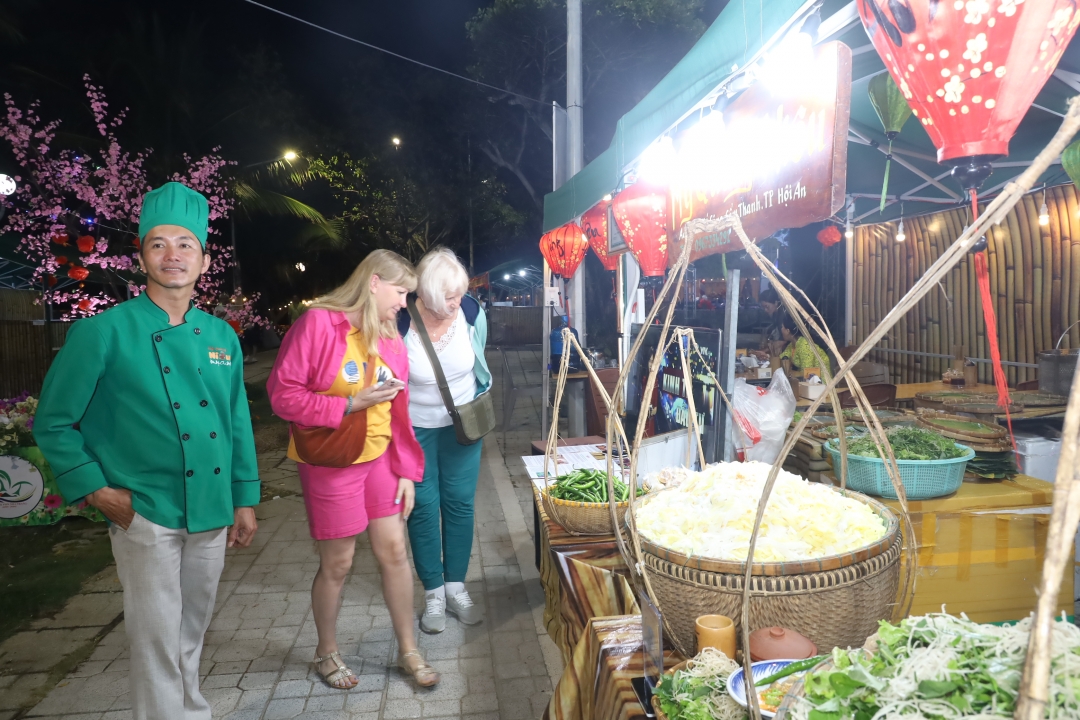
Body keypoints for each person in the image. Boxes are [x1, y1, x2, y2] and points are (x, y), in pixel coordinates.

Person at [34, 182, 260, 720]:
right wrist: (97, 491)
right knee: (156, 639)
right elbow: (54, 421)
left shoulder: (221, 336)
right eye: (158, 244)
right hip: (145, 510)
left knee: (191, 629)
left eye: (185, 244)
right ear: (141, 256)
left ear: (204, 260)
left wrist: (243, 498)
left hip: (208, 507)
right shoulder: (103, 332)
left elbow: (236, 422)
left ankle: (192, 710)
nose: (173, 254)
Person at [266, 250, 439, 690]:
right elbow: (283, 396)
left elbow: (399, 409)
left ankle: (409, 650)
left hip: (380, 458)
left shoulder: (388, 333)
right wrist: (346, 404)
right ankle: (327, 652)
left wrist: (404, 469)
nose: (404, 303)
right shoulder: (319, 323)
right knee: (339, 564)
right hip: (331, 462)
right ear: (375, 282)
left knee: (395, 552)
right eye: (401, 293)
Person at [396, 248, 491, 633]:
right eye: (448, 297)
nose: (457, 303)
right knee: (421, 507)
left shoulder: (470, 313)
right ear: (427, 294)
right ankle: (433, 594)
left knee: (460, 504)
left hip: (463, 426)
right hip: (414, 429)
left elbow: (480, 357)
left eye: (460, 294)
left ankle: (456, 587)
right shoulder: (401, 319)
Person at [779, 312, 831, 378]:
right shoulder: (793, 344)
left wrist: (794, 373)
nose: (781, 329)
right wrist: (767, 356)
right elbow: (783, 357)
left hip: (820, 383)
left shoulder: (805, 345)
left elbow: (808, 372)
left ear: (787, 331)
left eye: (782, 327)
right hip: (807, 382)